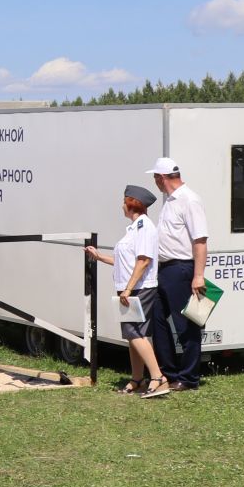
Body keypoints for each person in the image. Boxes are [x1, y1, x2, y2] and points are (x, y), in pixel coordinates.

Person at [84, 184, 171, 397]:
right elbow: (125, 261)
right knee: (132, 336)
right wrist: (99, 257)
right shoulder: (134, 228)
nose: (122, 205)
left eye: (124, 201)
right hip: (129, 288)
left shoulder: (144, 227)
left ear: (132, 203)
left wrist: (129, 289)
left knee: (136, 333)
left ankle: (158, 378)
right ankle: (137, 378)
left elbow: (143, 261)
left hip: (140, 288)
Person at [147, 156, 209, 391]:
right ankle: (168, 372)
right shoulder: (170, 201)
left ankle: (189, 377)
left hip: (181, 267)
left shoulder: (189, 200)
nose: (155, 182)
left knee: (186, 324)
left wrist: (198, 275)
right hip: (163, 268)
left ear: (162, 178)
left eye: (155, 178)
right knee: (158, 321)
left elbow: (200, 240)